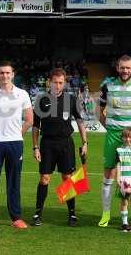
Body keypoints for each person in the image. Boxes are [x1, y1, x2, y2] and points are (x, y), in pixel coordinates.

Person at [32, 68, 87, 227]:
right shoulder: (41, 100)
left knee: (67, 178)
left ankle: (72, 214)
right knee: (44, 178)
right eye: (55, 82)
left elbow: (80, 122)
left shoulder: (71, 100)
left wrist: (85, 143)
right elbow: (36, 126)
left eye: (61, 82)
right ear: (50, 82)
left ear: (64, 83)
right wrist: (35, 147)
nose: (57, 85)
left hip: (65, 143)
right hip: (47, 144)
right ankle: (37, 213)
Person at [0, 61, 33, 229]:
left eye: (7, 73)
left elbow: (29, 119)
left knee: (14, 181)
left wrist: (18, 134)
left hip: (15, 143)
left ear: (13, 74)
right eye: (1, 73)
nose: (5, 76)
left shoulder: (22, 94)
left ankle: (16, 217)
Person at [98, 54, 131, 227]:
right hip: (113, 134)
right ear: (117, 68)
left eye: (128, 68)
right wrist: (110, 126)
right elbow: (100, 109)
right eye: (122, 67)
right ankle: (105, 214)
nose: (125, 70)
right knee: (109, 173)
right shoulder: (108, 86)